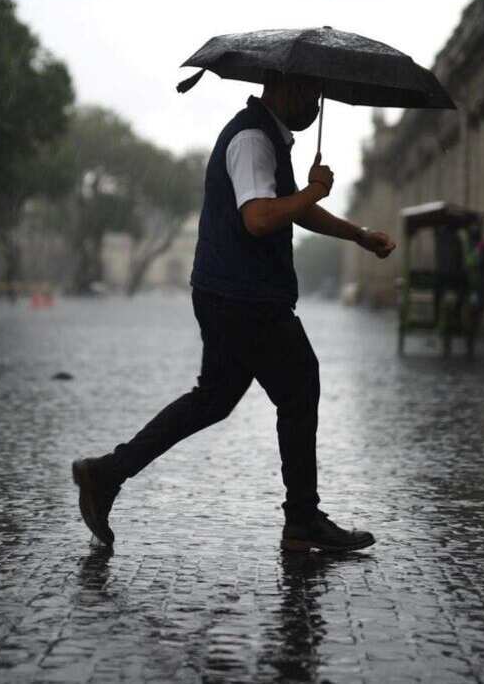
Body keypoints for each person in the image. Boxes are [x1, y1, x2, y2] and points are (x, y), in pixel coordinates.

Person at [71, 72, 397, 553]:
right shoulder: (250, 138)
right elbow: (259, 217)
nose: (315, 105)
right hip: (245, 296)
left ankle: (106, 473)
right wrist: (313, 191)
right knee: (299, 384)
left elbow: (288, 210)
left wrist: (356, 234)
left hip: (232, 293)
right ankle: (302, 519)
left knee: (215, 398)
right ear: (282, 87)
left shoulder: (266, 139)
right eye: (310, 93)